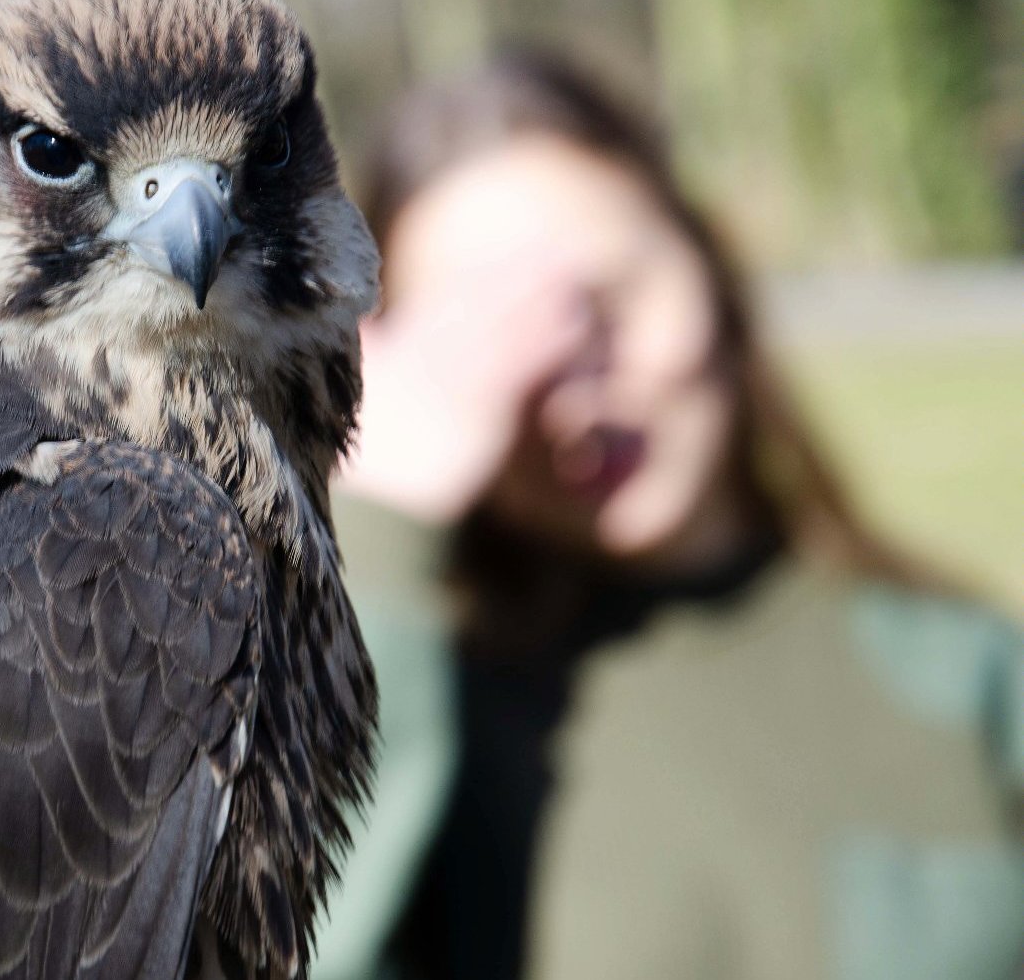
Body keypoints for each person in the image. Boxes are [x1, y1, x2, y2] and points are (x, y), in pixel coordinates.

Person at [313, 54, 1024, 980]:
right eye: (492, 350)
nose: (577, 396)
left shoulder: (961, 670)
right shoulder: (422, 726)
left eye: (602, 306)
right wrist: (368, 541)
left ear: (711, 270)